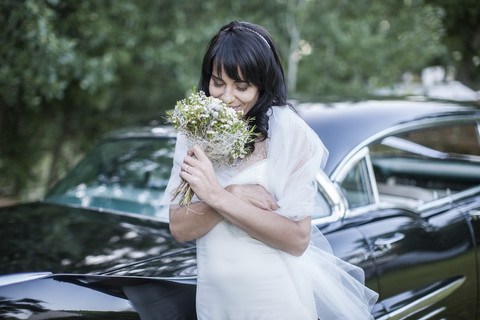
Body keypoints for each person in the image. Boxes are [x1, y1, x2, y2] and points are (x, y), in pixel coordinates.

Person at [163, 20, 378, 319]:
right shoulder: (193, 132)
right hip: (216, 299)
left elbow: (297, 240)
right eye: (217, 83)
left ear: (262, 84)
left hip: (273, 298)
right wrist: (229, 193)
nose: (226, 98)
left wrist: (218, 198)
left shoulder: (289, 133)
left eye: (241, 86)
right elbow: (180, 228)